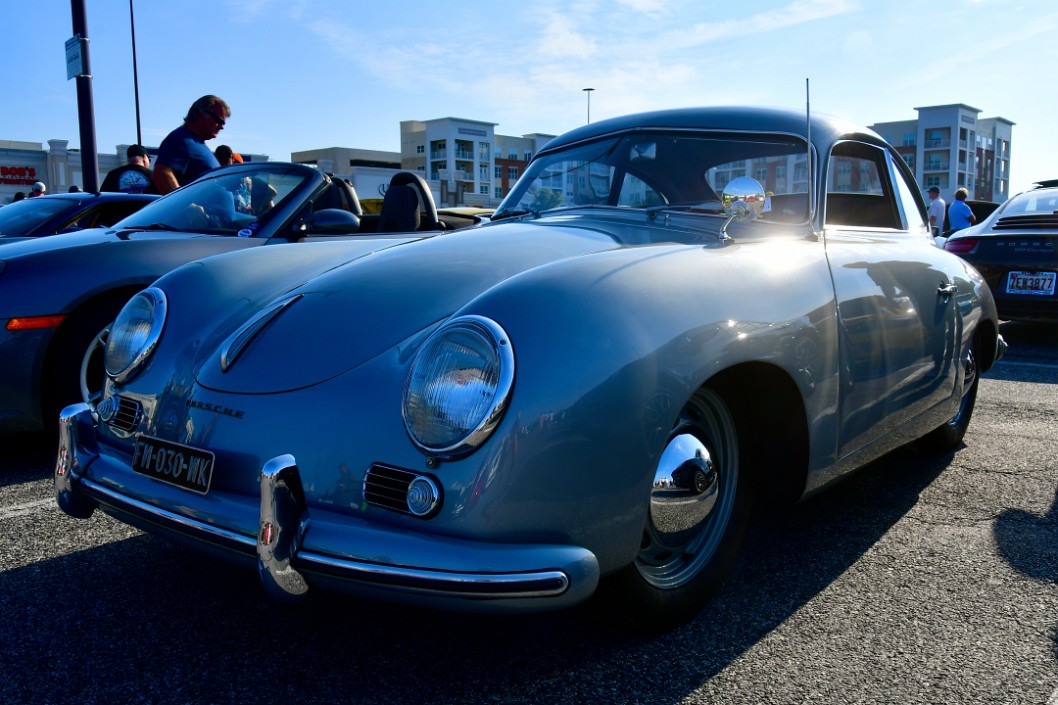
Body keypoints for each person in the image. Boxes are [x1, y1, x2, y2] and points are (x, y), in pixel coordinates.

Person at [153, 95, 231, 195]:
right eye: (219, 120)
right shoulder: (181, 139)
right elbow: (161, 174)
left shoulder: (195, 143)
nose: (222, 127)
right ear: (199, 114)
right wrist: (188, 206)